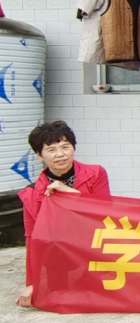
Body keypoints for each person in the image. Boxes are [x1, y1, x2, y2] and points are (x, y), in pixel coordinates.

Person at [16, 121, 111, 307]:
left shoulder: (96, 173)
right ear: (39, 155)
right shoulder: (31, 193)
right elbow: (32, 239)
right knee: (57, 299)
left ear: (73, 148)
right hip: (59, 255)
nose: (60, 154)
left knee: (101, 296)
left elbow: (104, 212)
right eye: (51, 150)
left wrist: (69, 192)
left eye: (65, 147)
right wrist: (31, 283)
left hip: (95, 245)